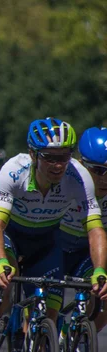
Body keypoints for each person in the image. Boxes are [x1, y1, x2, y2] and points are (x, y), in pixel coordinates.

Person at [0, 118, 107, 352]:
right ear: (33, 154)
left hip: (46, 243)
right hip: (10, 237)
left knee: (48, 319)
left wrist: (101, 269)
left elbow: (94, 229)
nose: (58, 164)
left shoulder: (79, 178)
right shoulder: (13, 171)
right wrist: (0, 261)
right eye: (50, 157)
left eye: (64, 156)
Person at [61, 126, 107, 332]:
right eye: (98, 170)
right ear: (81, 164)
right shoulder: (64, 180)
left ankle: (80, 342)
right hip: (55, 248)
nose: (104, 179)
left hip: (88, 254)